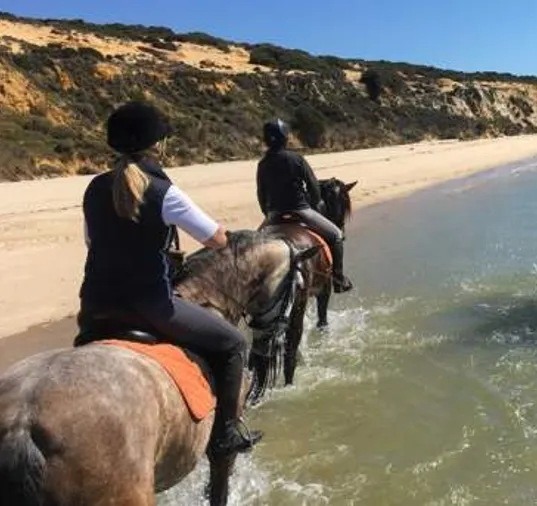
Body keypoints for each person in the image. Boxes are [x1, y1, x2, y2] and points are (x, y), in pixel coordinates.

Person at [77, 100, 262, 457]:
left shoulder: (94, 188)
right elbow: (217, 238)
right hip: (150, 307)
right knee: (234, 344)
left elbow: (91, 241)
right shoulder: (164, 191)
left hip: (94, 305)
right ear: (157, 144)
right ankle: (226, 434)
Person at [256, 118, 353, 293]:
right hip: (301, 211)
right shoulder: (296, 159)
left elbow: (261, 193)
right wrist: (316, 204)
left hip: (274, 215)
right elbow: (314, 186)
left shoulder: (262, 164)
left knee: (253, 245)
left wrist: (268, 214)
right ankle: (338, 279)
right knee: (336, 235)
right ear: (285, 137)